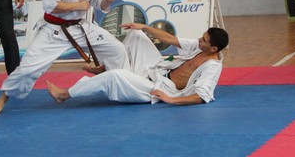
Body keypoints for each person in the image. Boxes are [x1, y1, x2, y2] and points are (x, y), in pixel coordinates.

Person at [0, 0, 130, 116]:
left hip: (80, 27)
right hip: (53, 30)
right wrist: (77, 5)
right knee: (26, 70)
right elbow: (50, 5)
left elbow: (96, 3)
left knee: (117, 49)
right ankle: (3, 98)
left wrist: (107, 0)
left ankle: (121, 89)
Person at [46, 22, 228, 105]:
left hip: (159, 87)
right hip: (157, 70)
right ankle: (106, 67)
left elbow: (201, 96)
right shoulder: (199, 47)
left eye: (204, 40)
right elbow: (171, 39)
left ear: (213, 49)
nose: (199, 40)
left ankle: (65, 94)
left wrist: (171, 99)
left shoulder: (212, 67)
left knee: (115, 76)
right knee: (137, 35)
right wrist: (145, 27)